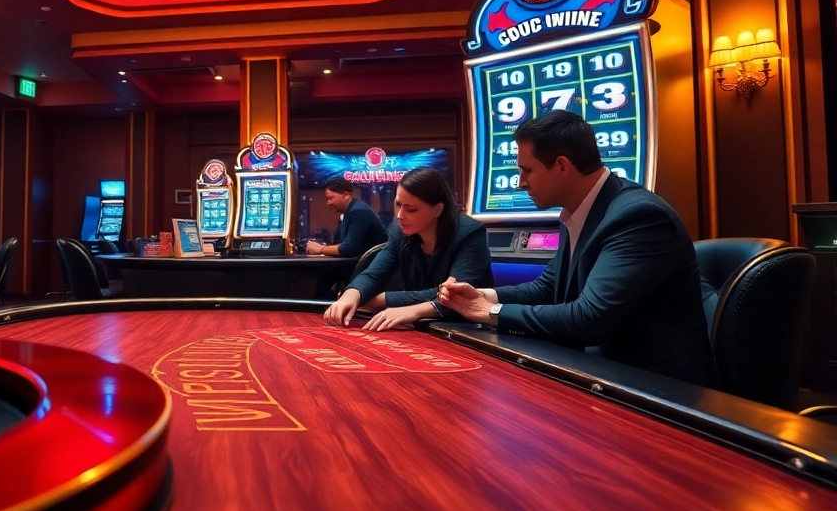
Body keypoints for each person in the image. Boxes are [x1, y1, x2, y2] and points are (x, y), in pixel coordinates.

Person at [437, 110, 718, 387]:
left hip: (661, 391)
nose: (521, 181)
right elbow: (550, 287)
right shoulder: (579, 209)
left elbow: (589, 317)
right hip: (606, 373)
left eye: (527, 169)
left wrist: (492, 312)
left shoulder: (639, 216)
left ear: (561, 165)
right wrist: (482, 295)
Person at [324, 167, 493, 331]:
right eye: (398, 205)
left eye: (410, 209)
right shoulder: (400, 232)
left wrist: (382, 300)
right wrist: (351, 294)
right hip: (421, 326)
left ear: (438, 209)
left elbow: (457, 298)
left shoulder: (469, 233)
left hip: (471, 330)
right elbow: (373, 274)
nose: (400, 215)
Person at [305, 178, 387, 259]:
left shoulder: (358, 211)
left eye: (330, 198)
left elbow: (349, 249)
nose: (328, 203)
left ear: (346, 195)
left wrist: (321, 249)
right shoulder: (350, 211)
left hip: (374, 267)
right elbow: (342, 244)